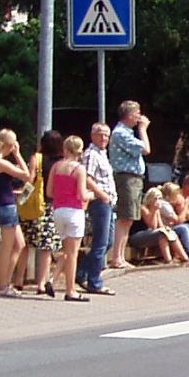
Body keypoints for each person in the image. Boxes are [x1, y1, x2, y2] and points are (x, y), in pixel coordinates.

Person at [48, 133, 94, 301]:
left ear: (65, 149)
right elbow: (82, 194)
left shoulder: (56, 166)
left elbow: (49, 192)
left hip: (58, 211)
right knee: (73, 254)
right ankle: (70, 291)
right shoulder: (79, 169)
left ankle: (51, 280)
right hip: (74, 211)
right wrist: (91, 195)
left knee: (66, 251)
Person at [0, 129, 31, 297]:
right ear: (10, 145)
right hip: (6, 206)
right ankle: (2, 286)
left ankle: (6, 281)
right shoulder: (1, 162)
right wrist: (18, 155)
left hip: (0, 203)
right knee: (7, 248)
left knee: (19, 244)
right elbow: (26, 176)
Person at [106, 100, 150, 271]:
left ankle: (120, 256)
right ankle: (116, 257)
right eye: (137, 113)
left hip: (134, 178)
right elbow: (146, 149)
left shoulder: (128, 133)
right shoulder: (120, 133)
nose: (139, 116)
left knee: (129, 218)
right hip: (126, 178)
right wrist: (143, 129)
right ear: (129, 114)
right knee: (124, 217)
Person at [18, 131, 63, 294]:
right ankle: (41, 283)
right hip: (49, 207)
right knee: (46, 247)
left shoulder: (36, 158)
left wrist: (21, 200)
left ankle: (18, 281)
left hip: (33, 205)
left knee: (25, 244)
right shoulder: (61, 163)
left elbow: (29, 181)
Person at [79, 122, 115, 296]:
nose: (104, 138)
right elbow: (85, 177)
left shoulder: (102, 154)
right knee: (101, 242)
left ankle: (81, 272)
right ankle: (95, 282)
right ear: (92, 135)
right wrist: (101, 194)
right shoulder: (91, 154)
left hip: (108, 202)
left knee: (107, 241)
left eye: (107, 135)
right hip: (99, 202)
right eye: (100, 134)